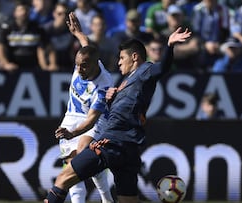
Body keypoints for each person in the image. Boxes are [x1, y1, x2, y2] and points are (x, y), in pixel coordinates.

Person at [44, 23, 192, 203]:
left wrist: (169, 46)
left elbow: (162, 68)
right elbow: (126, 107)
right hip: (130, 149)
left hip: (113, 142)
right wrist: (110, 100)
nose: (119, 62)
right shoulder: (126, 82)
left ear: (135, 57)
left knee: (62, 179)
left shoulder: (144, 70)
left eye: (122, 58)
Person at [54, 12, 114, 203]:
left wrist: (72, 134)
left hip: (95, 120)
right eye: (77, 65)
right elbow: (86, 44)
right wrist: (78, 32)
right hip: (72, 115)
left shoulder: (104, 84)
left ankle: (106, 199)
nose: (79, 70)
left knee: (82, 153)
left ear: (96, 64)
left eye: (84, 66)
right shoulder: (84, 60)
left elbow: (91, 119)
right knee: (72, 166)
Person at [0, 0, 48, 71]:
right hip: (12, 69)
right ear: (15, 13)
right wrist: (6, 64)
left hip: (34, 68)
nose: (24, 13)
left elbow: (44, 48)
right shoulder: (7, 29)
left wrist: (45, 67)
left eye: (26, 10)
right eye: (21, 10)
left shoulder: (37, 29)